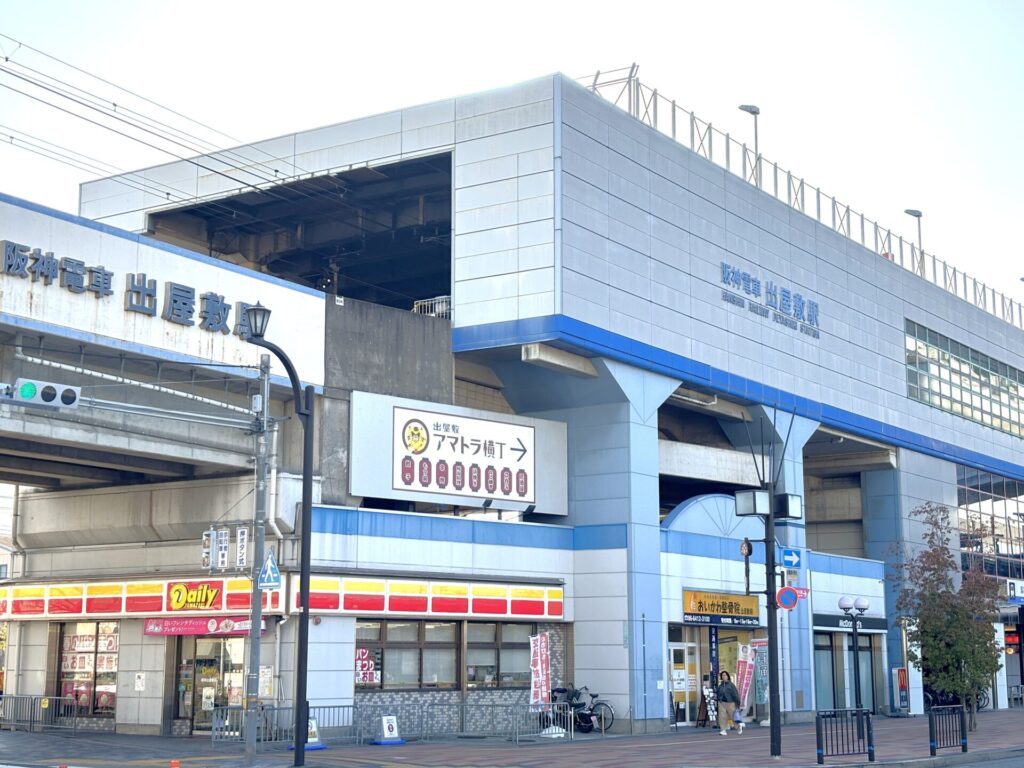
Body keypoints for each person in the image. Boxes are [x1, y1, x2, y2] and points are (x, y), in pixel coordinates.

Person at [716, 671, 743, 735]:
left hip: (730, 702)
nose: (724, 677)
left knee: (732, 716)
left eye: (725, 675)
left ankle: (738, 726)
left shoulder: (731, 685)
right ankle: (723, 730)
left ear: (728, 676)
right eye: (722, 675)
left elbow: (735, 694)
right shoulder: (720, 686)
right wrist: (719, 699)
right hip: (722, 703)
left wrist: (738, 703)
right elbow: (718, 693)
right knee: (722, 717)